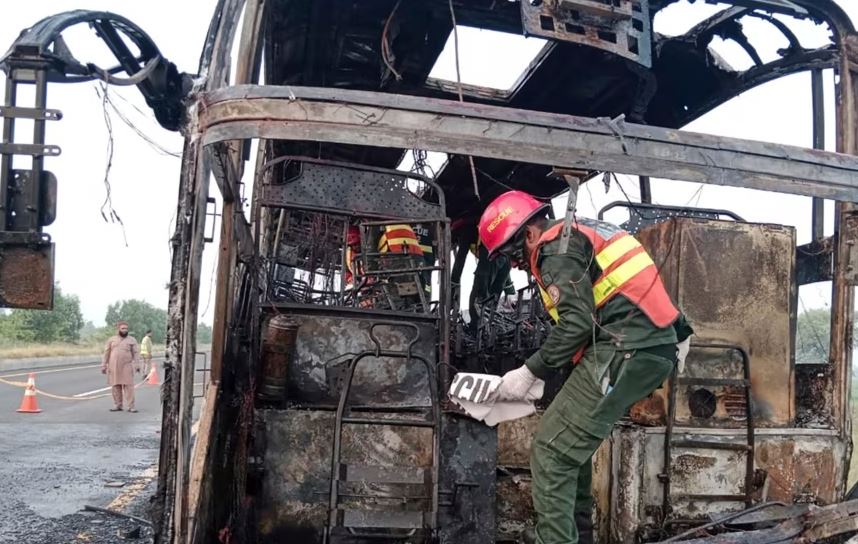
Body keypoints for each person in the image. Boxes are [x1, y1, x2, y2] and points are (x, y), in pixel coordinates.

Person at [477, 190, 692, 544]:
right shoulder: (587, 231)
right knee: (569, 452)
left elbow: (577, 323)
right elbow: (636, 284)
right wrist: (678, 331)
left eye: (511, 254)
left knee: (551, 451)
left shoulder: (553, 249)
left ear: (529, 234)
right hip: (646, 346)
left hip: (624, 349)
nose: (514, 265)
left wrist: (532, 371)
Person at [101, 321, 142, 413]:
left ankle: (131, 406)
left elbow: (135, 353)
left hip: (126, 366)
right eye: (123, 328)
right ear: (118, 329)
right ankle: (118, 405)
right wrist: (104, 365)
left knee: (129, 386)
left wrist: (137, 365)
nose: (125, 330)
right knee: (116, 386)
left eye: (126, 329)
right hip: (113, 367)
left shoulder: (132, 340)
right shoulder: (111, 340)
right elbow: (106, 353)